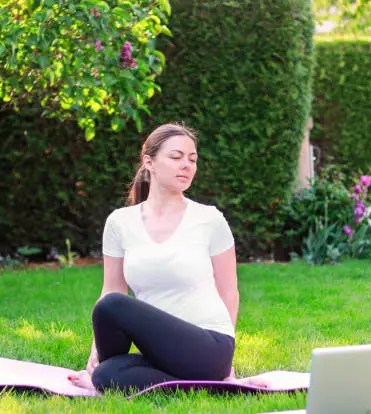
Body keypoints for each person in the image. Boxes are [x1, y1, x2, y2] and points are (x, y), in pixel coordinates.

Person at [68, 123, 247, 394]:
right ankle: (192, 386)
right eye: (176, 157)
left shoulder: (209, 219)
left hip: (210, 345)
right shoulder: (120, 222)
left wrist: (228, 361)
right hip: (160, 350)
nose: (187, 165)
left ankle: (210, 377)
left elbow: (229, 291)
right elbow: (111, 288)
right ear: (149, 162)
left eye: (193, 159)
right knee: (107, 375)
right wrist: (95, 355)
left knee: (113, 305)